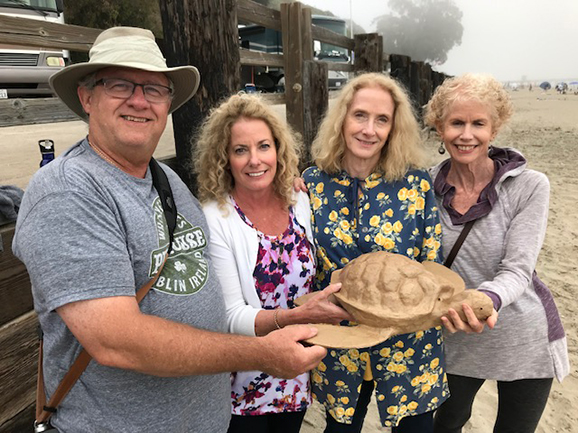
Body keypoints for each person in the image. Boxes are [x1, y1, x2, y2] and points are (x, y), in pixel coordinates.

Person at [12, 26, 327, 433]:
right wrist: (260, 354)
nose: (140, 100)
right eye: (120, 85)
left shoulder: (166, 180)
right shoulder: (68, 190)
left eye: (155, 89)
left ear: (169, 104)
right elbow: (116, 339)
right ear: (87, 97)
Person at [194, 93, 353, 433]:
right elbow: (232, 315)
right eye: (241, 150)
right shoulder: (215, 218)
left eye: (264, 146)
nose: (255, 160)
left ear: (279, 150)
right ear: (224, 157)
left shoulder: (300, 201)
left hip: (294, 372)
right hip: (242, 379)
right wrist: (300, 316)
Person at [302, 73, 448, 432]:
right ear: (342, 120)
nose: (369, 129)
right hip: (340, 338)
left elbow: (432, 263)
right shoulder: (312, 183)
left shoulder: (415, 184)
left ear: (394, 128)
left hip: (408, 342)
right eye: (360, 116)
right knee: (340, 429)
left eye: (382, 120)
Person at [424, 73, 570, 432]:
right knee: (445, 425)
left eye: (478, 123)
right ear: (440, 127)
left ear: (495, 127)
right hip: (454, 335)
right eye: (456, 123)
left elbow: (518, 269)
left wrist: (485, 297)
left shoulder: (529, 186)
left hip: (522, 334)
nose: (466, 134)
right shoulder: (424, 186)